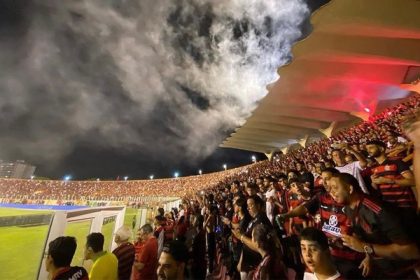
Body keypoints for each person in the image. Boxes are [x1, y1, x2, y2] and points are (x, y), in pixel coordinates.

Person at [329, 173, 420, 278]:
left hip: (407, 271)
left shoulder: (377, 211)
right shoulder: (349, 209)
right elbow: (368, 239)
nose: (331, 192)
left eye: (335, 188)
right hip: (385, 270)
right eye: (329, 189)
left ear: (350, 189)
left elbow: (411, 251)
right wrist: (368, 257)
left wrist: (365, 248)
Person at [366, 140, 416, 210]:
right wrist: (373, 183)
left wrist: (389, 181)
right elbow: (377, 189)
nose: (368, 150)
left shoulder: (397, 162)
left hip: (405, 205)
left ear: (381, 149)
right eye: (367, 149)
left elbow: (413, 181)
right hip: (389, 207)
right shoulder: (373, 168)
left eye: (371, 148)